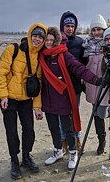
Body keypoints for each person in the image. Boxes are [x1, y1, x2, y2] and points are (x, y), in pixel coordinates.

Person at [39, 27, 102, 169]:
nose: (48, 43)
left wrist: (96, 80)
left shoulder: (64, 54)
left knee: (68, 128)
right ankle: (57, 151)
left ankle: (73, 153)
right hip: (48, 98)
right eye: (46, 40)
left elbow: (79, 68)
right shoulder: (42, 55)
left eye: (51, 40)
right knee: (53, 127)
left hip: (62, 97)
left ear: (56, 40)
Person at [0, 23, 46, 180]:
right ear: (30, 35)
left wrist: (37, 107)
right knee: (11, 132)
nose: (37, 39)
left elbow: (38, 83)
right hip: (9, 99)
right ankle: (14, 160)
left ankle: (26, 156)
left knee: (29, 130)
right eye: (35, 35)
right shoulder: (13, 49)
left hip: (26, 100)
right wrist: (2, 96)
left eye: (41, 37)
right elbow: (1, 74)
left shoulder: (39, 56)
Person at [59, 11, 87, 152]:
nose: (70, 28)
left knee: (74, 113)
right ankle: (63, 140)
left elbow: (85, 63)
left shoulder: (81, 43)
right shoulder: (57, 42)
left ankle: (76, 138)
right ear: (62, 26)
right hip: (59, 86)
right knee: (62, 115)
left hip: (75, 85)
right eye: (67, 25)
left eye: (72, 26)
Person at [82, 14, 109, 155]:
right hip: (92, 85)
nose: (97, 32)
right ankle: (101, 140)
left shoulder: (108, 44)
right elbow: (82, 65)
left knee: (103, 112)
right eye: (94, 30)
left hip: (106, 86)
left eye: (99, 29)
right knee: (96, 115)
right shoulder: (86, 46)